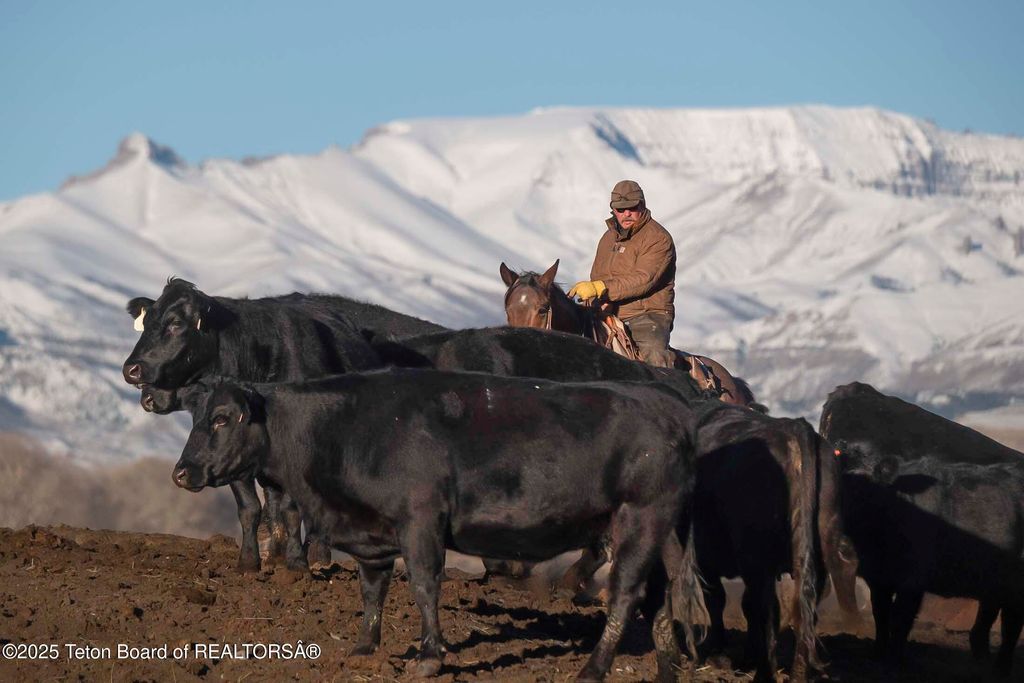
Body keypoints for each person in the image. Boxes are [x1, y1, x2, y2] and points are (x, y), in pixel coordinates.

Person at [569, 180, 677, 368]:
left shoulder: (658, 238)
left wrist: (600, 288)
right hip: (606, 313)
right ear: (613, 210)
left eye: (632, 207)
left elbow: (644, 279)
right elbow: (598, 276)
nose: (626, 213)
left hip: (647, 315)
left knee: (654, 357)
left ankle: (663, 393)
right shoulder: (607, 238)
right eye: (620, 209)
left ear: (642, 205)